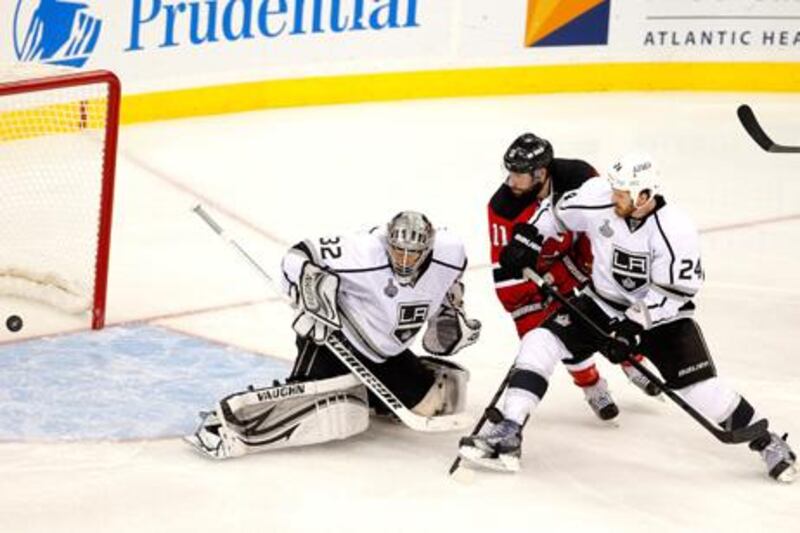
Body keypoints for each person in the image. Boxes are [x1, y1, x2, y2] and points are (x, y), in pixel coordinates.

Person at [459, 153, 797, 483]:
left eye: (623, 193)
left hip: (661, 317)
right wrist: (528, 237)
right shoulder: (599, 198)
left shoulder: (676, 229)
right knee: (539, 341)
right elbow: (556, 214)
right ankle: (508, 431)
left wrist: (634, 326)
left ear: (645, 195)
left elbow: (679, 290)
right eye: (615, 189)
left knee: (700, 390)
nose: (614, 197)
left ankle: (768, 442)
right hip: (602, 302)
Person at [187, 211, 481, 459]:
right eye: (398, 250)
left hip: (385, 353)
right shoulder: (363, 251)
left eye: (413, 253)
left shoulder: (450, 252)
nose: (403, 259)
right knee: (315, 409)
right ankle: (225, 425)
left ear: (428, 248)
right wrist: (314, 294)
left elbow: (452, 280)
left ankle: (365, 393)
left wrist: (450, 308)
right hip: (334, 340)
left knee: (439, 402)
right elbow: (298, 255)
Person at [488, 133, 659, 423]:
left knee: (603, 311)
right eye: (510, 173)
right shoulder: (504, 206)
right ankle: (592, 385)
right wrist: (531, 293)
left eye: (518, 175)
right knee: (556, 331)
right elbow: (504, 268)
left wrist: (584, 267)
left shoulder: (578, 176)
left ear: (541, 173)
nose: (510, 182)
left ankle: (633, 362)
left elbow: (606, 221)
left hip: (583, 255)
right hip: (533, 274)